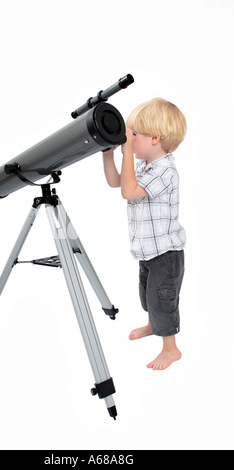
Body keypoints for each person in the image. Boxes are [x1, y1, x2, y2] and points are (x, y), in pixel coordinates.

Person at [102, 98, 186, 370]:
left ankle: (170, 349)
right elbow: (117, 182)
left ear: (154, 138)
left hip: (165, 253)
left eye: (134, 135)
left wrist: (126, 155)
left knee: (163, 300)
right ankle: (153, 326)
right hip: (147, 250)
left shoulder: (165, 170)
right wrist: (109, 154)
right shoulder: (144, 166)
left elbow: (129, 192)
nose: (130, 140)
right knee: (148, 294)